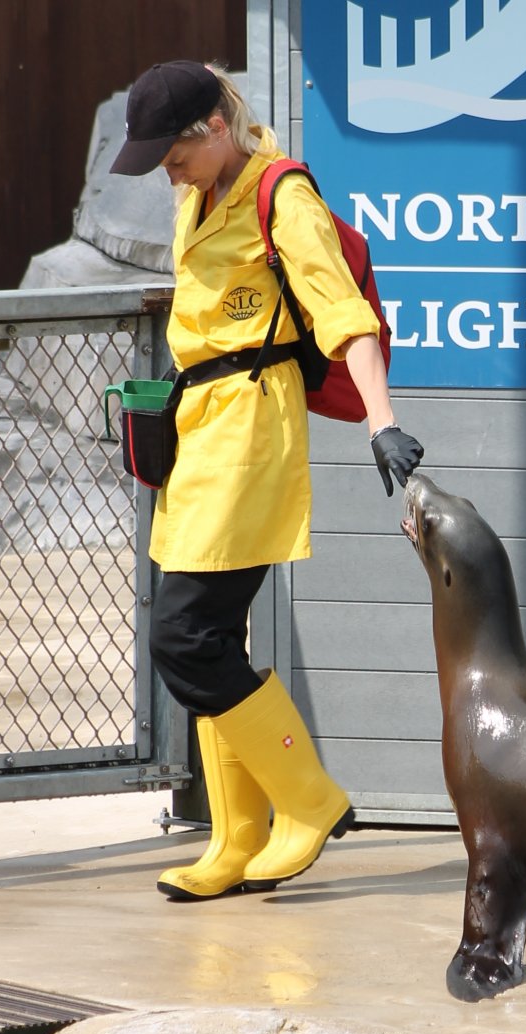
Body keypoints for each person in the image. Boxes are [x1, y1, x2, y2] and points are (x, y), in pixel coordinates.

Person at [109, 61, 423, 899]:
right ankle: (237, 837)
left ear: (213, 130)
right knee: (212, 638)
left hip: (250, 427)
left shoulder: (280, 196)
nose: (164, 173)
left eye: (171, 155)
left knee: (185, 636)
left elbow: (341, 311)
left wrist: (381, 422)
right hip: (197, 426)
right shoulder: (197, 195)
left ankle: (308, 800)